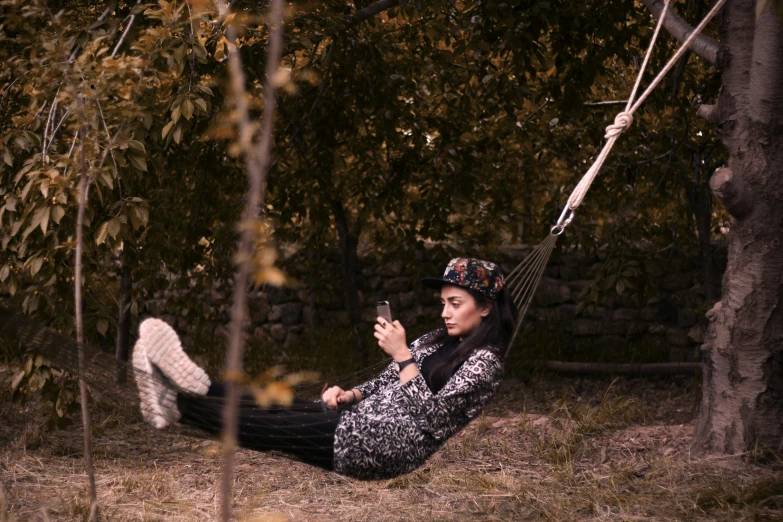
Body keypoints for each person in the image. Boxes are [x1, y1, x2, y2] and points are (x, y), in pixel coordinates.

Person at [132, 257, 517, 480]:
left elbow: (431, 419)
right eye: (444, 303)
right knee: (276, 405)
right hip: (360, 417)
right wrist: (349, 394)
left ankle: (175, 407)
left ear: (485, 307)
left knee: (273, 428)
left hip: (385, 446)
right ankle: (200, 384)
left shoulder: (485, 364)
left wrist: (403, 356)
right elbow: (387, 381)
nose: (444, 312)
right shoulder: (438, 339)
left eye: (455, 303)